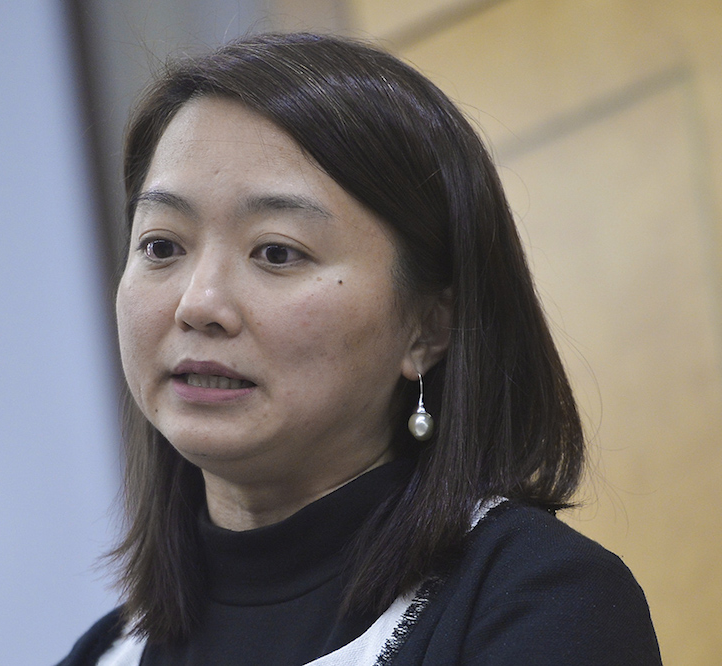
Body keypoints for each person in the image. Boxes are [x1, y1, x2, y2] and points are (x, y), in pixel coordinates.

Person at [57, 32, 661, 666]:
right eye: (161, 247)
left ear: (428, 327)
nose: (198, 304)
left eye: (277, 252)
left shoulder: (540, 602)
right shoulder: (105, 653)